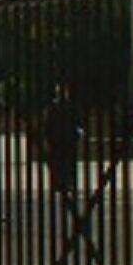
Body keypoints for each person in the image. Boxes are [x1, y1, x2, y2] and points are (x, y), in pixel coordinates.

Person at [40, 84, 84, 212]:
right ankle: (65, 183)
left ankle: (63, 184)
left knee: (62, 162)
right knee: (63, 162)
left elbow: (47, 124)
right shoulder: (61, 107)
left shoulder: (56, 107)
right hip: (63, 139)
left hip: (60, 139)